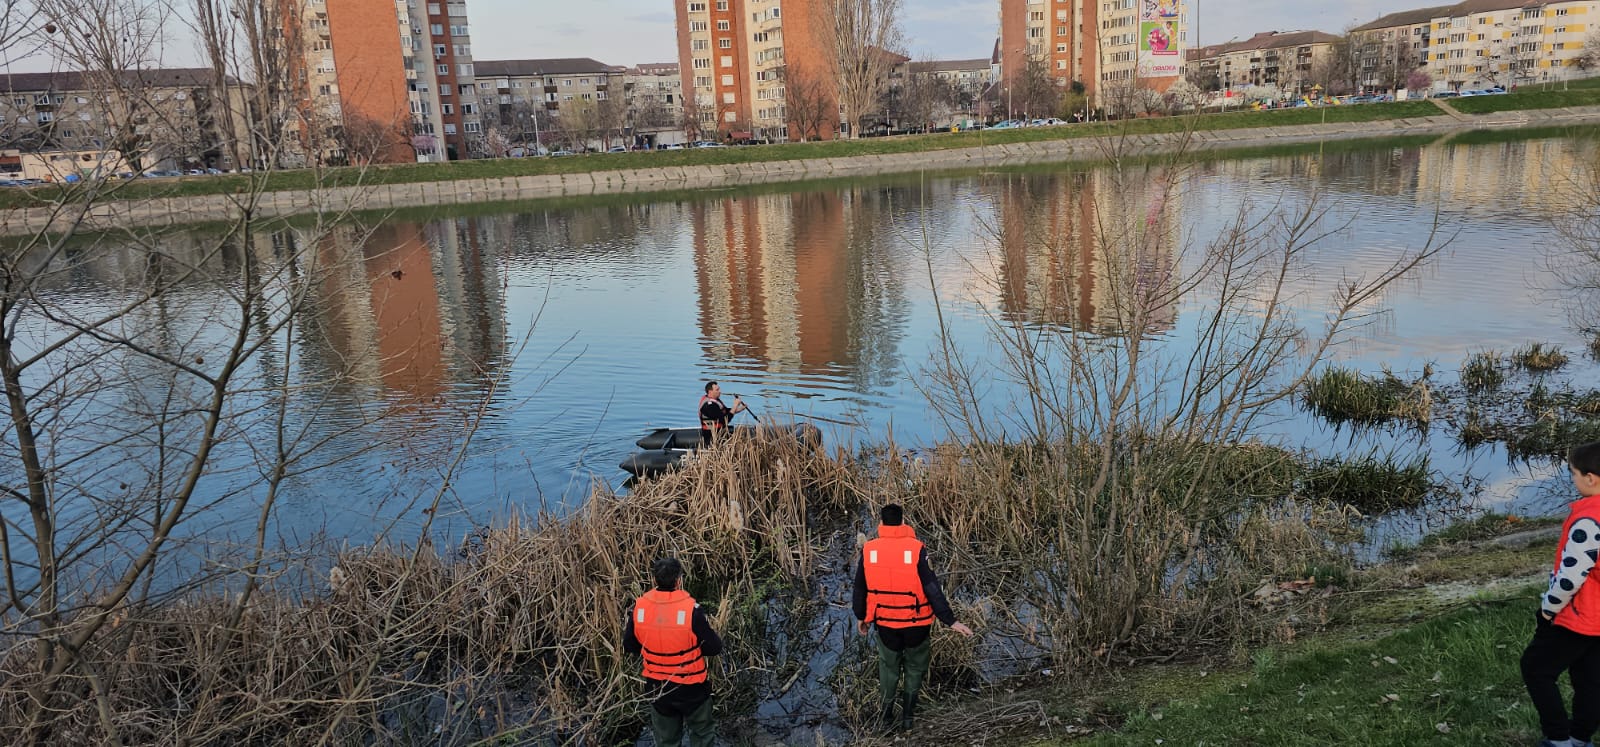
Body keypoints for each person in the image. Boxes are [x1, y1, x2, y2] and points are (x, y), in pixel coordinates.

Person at [852, 503, 974, 731]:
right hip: (917, 624)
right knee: (915, 668)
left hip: (886, 623)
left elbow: (860, 588)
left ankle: (886, 717)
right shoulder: (917, 549)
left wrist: (862, 617)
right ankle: (908, 718)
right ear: (902, 522)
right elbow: (932, 588)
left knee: (888, 668)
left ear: (881, 524)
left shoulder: (869, 550)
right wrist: (951, 620)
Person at [1523, 441, 1600, 747]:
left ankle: (1558, 738)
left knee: (1536, 668)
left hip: (1580, 617)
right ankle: (1581, 737)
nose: (1573, 479)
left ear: (1590, 478)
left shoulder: (1588, 521)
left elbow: (1571, 577)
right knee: (1591, 678)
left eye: (1574, 473)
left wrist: (1548, 609)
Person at [624, 557, 724, 747]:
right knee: (703, 735)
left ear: (654, 580)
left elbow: (630, 645)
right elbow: (714, 647)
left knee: (666, 741)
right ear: (679, 580)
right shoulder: (691, 611)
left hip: (658, 689)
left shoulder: (639, 609)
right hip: (692, 688)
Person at [698, 381, 746, 445]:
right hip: (712, 436)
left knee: (741, 431)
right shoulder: (708, 406)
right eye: (717, 390)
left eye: (719, 389)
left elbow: (725, 411)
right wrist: (735, 405)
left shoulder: (715, 401)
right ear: (710, 392)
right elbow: (725, 420)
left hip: (720, 431)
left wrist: (739, 409)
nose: (720, 391)